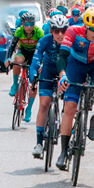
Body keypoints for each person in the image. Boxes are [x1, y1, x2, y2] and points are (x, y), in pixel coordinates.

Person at [55, 8, 94, 170]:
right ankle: (63, 151)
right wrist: (62, 75)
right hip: (75, 66)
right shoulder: (73, 31)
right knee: (69, 108)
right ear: (86, 26)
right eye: (93, 29)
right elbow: (62, 56)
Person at [29, 14, 68, 158]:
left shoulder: (70, 42)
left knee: (69, 104)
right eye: (56, 31)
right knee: (44, 104)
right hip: (48, 72)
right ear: (51, 31)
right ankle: (39, 143)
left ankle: (65, 124)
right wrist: (32, 78)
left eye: (63, 30)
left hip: (64, 72)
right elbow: (35, 61)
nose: (60, 34)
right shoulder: (44, 41)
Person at [5, 13, 45, 124]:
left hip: (35, 55)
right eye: (26, 24)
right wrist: (7, 58)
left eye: (31, 24)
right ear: (22, 24)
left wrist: (41, 64)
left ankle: (29, 109)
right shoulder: (19, 31)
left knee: (34, 83)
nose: (28, 27)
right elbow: (12, 46)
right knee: (17, 62)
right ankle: (14, 84)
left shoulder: (39, 32)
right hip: (23, 52)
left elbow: (43, 49)